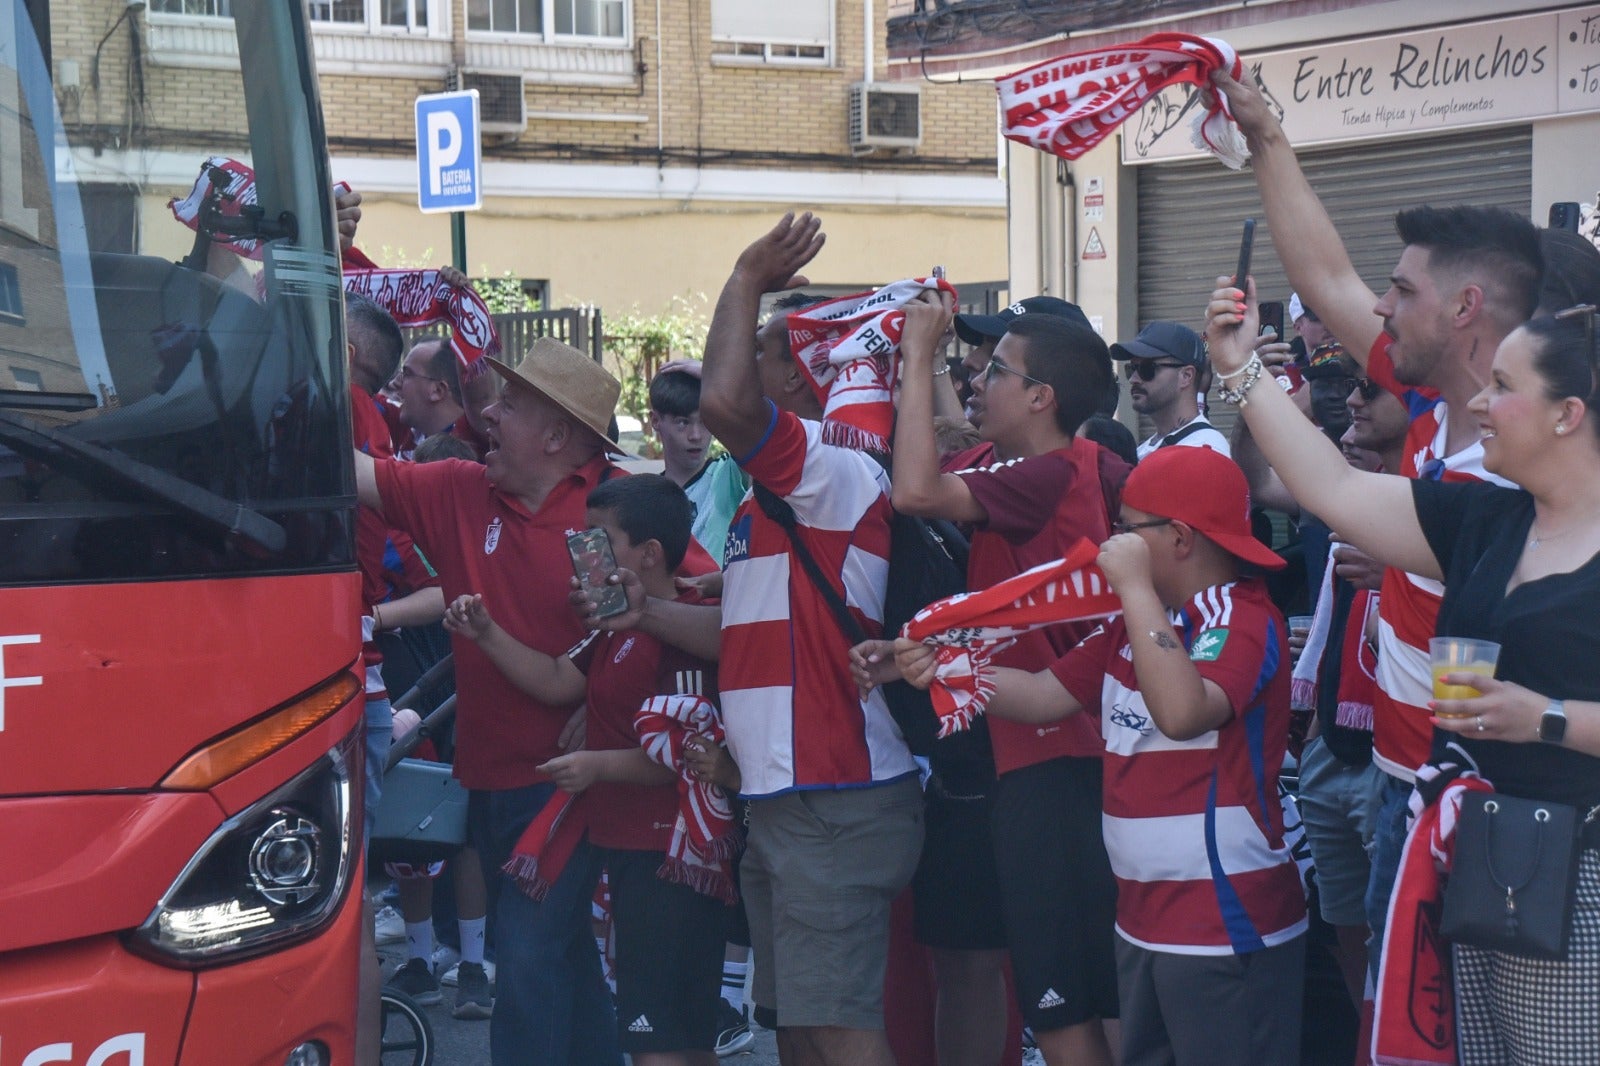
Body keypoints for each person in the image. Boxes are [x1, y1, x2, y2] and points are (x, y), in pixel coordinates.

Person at [1205, 274, 1600, 1064]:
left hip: (1580, 877)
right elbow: (1333, 487)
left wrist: (1545, 718)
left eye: (1502, 386)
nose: (1478, 402)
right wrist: (1239, 371)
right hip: (1475, 858)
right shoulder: (1486, 518)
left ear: (1567, 415)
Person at [1213, 69, 1544, 981]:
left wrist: (1240, 374)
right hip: (1395, 775)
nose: (1379, 307)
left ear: (1465, 309)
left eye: (1401, 290)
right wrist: (1265, 135)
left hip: (1465, 799)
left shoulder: (1519, 482)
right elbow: (1324, 275)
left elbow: (1327, 487)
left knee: (1443, 1026)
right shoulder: (1432, 400)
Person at [894, 444, 1307, 1066]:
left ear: (1179, 538)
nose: (1111, 541)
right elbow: (1044, 695)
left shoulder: (1240, 616)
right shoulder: (1135, 621)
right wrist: (944, 669)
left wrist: (1135, 591)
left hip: (1225, 923)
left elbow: (1183, 712)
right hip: (1141, 920)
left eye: (1127, 528)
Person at [644, 213, 924, 1066]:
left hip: (832, 796)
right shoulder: (775, 496)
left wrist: (745, 276)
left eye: (762, 352)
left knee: (835, 1026)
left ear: (801, 375)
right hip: (787, 797)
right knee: (797, 1026)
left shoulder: (828, 472)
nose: (739, 370)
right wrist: (652, 608)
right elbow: (748, 632)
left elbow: (725, 405)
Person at [354, 336, 634, 1066]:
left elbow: (687, 612)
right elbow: (351, 473)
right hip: (493, 779)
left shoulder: (611, 516)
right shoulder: (461, 488)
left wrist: (605, 699)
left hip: (569, 787)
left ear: (557, 436)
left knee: (531, 958)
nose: (487, 415)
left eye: (510, 405)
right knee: (558, 957)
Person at [884, 290, 1122, 1066]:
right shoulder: (1084, 468)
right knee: (1089, 993)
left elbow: (914, 491)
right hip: (1067, 751)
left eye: (997, 372)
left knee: (1068, 1006)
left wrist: (917, 354)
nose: (977, 380)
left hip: (1052, 760)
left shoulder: (1046, 474)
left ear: (1041, 397)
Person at [445, 474, 732, 1066]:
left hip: (669, 855)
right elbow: (557, 679)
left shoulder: (684, 628)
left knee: (663, 1045)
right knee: (670, 1037)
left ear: (649, 553)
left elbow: (688, 759)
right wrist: (485, 633)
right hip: (628, 847)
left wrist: (594, 765)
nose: (582, 553)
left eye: (599, 538)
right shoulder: (615, 626)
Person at [1291, 375, 1410, 1009]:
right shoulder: (1353, 507)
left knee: (1398, 942)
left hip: (1396, 760)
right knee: (1345, 929)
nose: (1352, 407)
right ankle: (1367, 1042)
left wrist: (1398, 580)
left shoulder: (1443, 500)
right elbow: (1264, 477)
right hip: (1331, 744)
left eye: (1371, 389)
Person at [648, 360, 749, 568]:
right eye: (682, 422)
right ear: (656, 420)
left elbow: (757, 419)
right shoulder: (646, 496)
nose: (696, 435)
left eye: (705, 421)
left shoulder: (728, 474)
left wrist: (713, 378)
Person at [1111, 321, 1230, 459]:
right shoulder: (1144, 451)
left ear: (1186, 376)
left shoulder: (1205, 450)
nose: (1133, 379)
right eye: (1131, 369)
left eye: (1147, 368)